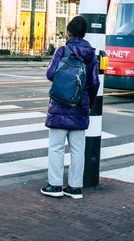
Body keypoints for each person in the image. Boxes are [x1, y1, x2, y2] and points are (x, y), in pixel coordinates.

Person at [41, 16, 100, 199]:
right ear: (84, 33)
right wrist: (88, 102)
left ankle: (55, 185)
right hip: (80, 104)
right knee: (77, 149)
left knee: (56, 147)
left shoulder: (63, 50)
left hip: (60, 103)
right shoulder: (91, 54)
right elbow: (95, 82)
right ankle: (75, 188)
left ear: (68, 32)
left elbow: (50, 74)